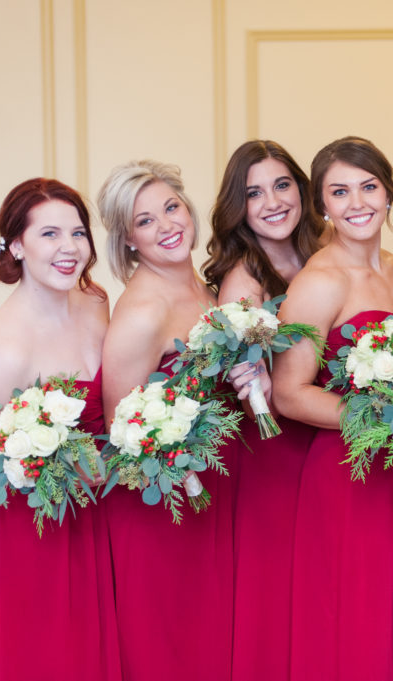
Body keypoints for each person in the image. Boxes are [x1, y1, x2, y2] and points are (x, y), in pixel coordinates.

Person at [0, 178, 120, 681]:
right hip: (26, 513)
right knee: (43, 652)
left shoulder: (94, 301)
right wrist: (47, 471)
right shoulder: (8, 344)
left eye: (77, 233)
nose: (68, 248)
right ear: (17, 246)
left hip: (89, 500)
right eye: (49, 234)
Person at [270, 136, 393, 680]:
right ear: (322, 206)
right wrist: (385, 422)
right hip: (348, 473)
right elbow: (289, 392)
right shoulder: (320, 281)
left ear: (388, 193)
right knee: (353, 620)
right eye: (339, 192)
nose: (356, 203)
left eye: (368, 187)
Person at [97, 160, 232, 681]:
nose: (167, 225)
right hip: (162, 505)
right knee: (169, 641)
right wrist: (183, 461)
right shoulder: (143, 312)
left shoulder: (205, 289)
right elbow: (121, 426)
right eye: (145, 221)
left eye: (170, 208)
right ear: (129, 240)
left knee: (209, 636)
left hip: (213, 489)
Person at [203, 139, 325, 680]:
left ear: (301, 189)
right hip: (273, 451)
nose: (272, 201)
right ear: (239, 207)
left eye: (281, 185)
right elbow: (240, 383)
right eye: (253, 194)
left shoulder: (324, 253)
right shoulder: (244, 280)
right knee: (277, 585)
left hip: (324, 438)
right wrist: (244, 377)